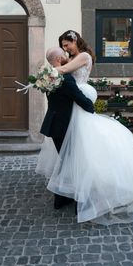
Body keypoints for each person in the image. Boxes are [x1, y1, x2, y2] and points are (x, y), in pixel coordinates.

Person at [37, 30, 133, 228]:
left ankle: (88, 192)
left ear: (75, 40)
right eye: (63, 46)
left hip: (79, 105)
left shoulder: (83, 56)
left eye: (67, 44)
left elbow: (64, 71)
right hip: (72, 109)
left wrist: (47, 72)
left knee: (84, 153)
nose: (66, 49)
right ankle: (72, 191)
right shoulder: (71, 58)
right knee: (74, 153)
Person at [38, 47, 96, 210]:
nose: (66, 57)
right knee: (73, 162)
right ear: (57, 59)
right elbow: (80, 99)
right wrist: (92, 108)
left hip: (53, 125)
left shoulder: (47, 77)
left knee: (65, 161)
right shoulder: (65, 78)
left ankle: (61, 198)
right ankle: (78, 199)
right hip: (64, 125)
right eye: (63, 55)